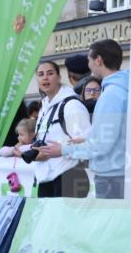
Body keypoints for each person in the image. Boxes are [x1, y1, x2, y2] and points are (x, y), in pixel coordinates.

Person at [39, 38, 128, 199]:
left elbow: (102, 145)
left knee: (112, 224)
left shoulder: (111, 96)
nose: (88, 65)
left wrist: (64, 150)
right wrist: (88, 139)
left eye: (89, 60)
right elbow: (113, 136)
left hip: (112, 175)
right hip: (117, 173)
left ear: (98, 60)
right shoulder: (118, 90)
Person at [28, 60, 91, 198]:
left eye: (50, 73)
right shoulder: (44, 106)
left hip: (69, 177)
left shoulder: (71, 105)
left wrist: (62, 150)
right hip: (46, 178)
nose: (45, 77)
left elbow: (87, 143)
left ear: (59, 77)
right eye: (41, 74)